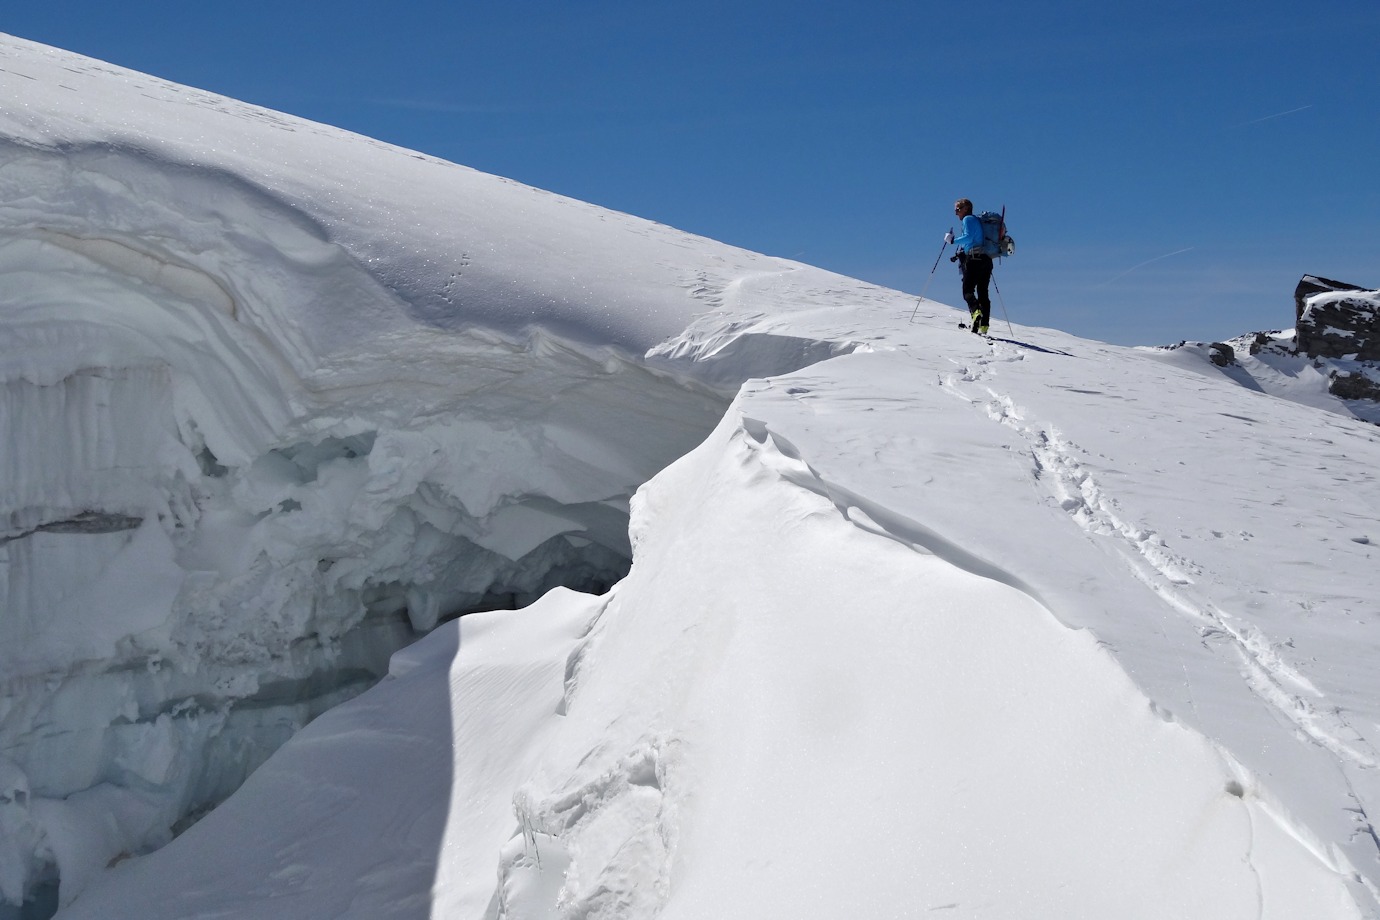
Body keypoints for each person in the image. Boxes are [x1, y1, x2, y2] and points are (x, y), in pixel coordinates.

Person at [944, 198, 992, 335]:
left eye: (957, 210)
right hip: (986, 260)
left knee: (967, 290)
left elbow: (969, 238)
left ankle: (976, 312)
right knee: (983, 292)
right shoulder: (977, 221)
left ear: (965, 208)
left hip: (974, 259)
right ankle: (984, 326)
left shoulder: (968, 219)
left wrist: (952, 240)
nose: (956, 213)